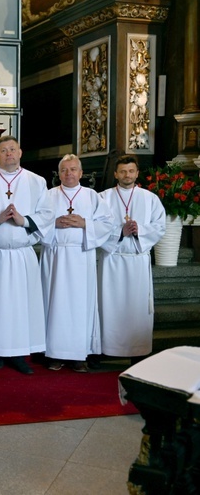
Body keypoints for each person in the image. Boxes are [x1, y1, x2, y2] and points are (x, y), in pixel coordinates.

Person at [0, 135, 54, 375]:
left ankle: (18, 353)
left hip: (21, 255)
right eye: (3, 150)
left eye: (12, 149)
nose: (8, 154)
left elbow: (47, 214)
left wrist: (23, 220)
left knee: (20, 305)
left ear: (20, 153)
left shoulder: (36, 182)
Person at [39, 154, 113, 372]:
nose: (69, 173)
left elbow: (107, 224)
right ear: (58, 174)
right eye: (64, 170)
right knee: (54, 305)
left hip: (81, 257)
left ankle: (79, 354)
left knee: (81, 306)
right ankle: (54, 353)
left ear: (81, 173)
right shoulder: (47, 196)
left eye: (73, 169)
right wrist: (53, 225)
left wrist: (85, 223)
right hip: (55, 256)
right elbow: (36, 223)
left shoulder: (92, 197)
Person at [98, 154, 166, 362]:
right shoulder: (103, 198)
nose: (127, 175)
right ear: (116, 173)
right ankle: (107, 350)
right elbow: (95, 227)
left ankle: (138, 352)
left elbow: (160, 226)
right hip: (112, 260)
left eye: (131, 171)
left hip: (137, 259)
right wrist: (120, 233)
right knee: (109, 306)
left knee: (136, 307)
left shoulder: (150, 198)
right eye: (123, 171)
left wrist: (140, 230)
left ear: (137, 173)